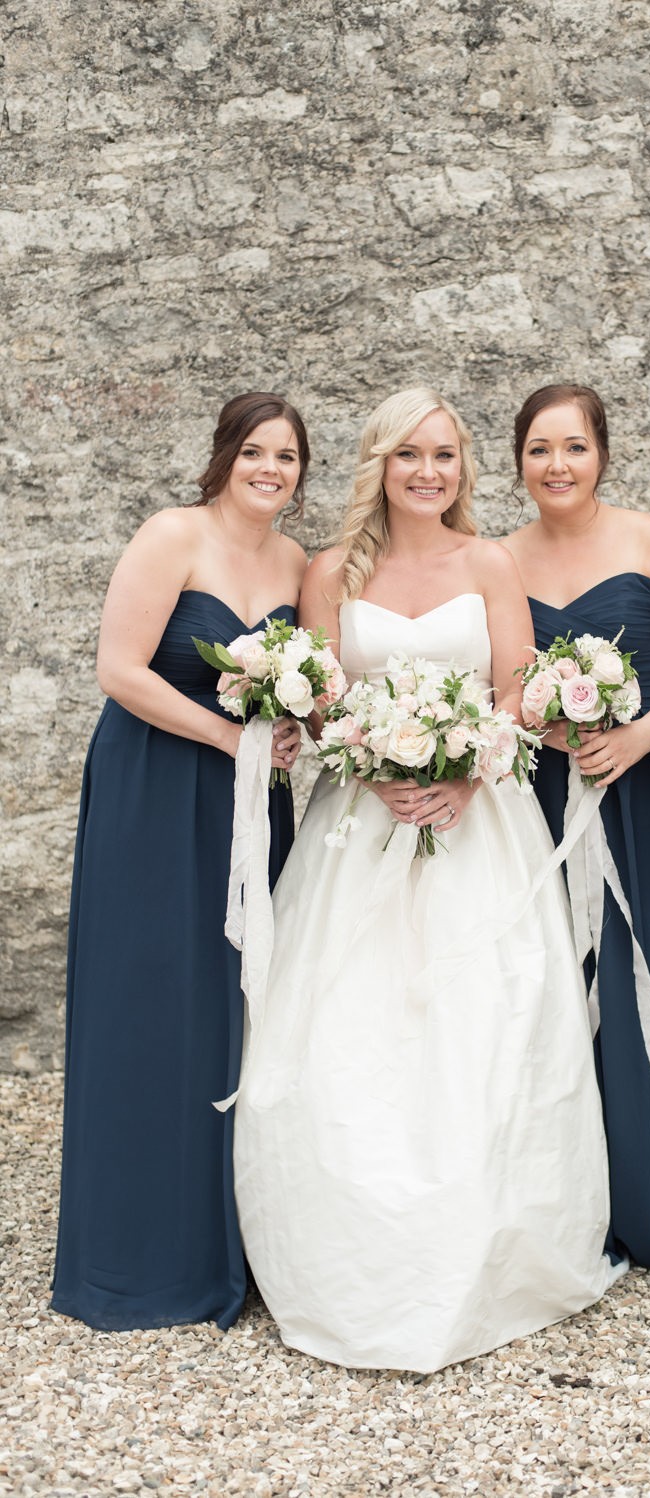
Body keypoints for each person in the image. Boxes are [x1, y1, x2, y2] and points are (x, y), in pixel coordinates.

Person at [234, 387, 622, 1372]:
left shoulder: (487, 563)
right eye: (407, 454)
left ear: (462, 468)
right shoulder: (331, 572)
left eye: (442, 455)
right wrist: (368, 755)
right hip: (358, 827)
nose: (426, 472)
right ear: (380, 463)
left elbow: (515, 697)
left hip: (477, 821)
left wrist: (460, 769)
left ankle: (491, 1241)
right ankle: (346, 1256)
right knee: (350, 1029)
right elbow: (323, 711)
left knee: (482, 1021)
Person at [52, 392, 309, 1330]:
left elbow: (308, 691)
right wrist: (227, 737)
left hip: (250, 805)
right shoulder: (173, 534)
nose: (269, 469)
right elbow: (119, 669)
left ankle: (227, 1241)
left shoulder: (295, 563)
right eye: (254, 452)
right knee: (149, 994)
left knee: (236, 1000)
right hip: (156, 785)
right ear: (224, 458)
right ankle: (135, 1249)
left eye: (286, 457)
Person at [501, 383, 650, 1274]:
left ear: (602, 453)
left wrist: (636, 736)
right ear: (520, 459)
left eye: (574, 447)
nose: (557, 466)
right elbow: (498, 681)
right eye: (539, 450)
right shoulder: (497, 558)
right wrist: (542, 723)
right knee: (561, 983)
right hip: (547, 803)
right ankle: (579, 1211)